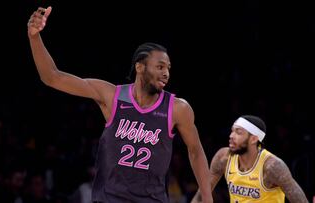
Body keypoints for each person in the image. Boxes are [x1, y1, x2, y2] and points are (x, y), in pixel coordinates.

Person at [27, 6, 213, 203]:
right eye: (159, 67)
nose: (166, 73)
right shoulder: (112, 96)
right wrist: (34, 37)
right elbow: (52, 77)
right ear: (139, 67)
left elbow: (196, 151)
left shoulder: (177, 108)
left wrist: (207, 197)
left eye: (168, 68)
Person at [191, 115, 309, 203]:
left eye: (238, 132)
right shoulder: (223, 157)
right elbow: (202, 194)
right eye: (232, 131)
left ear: (253, 139)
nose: (231, 136)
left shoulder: (272, 166)